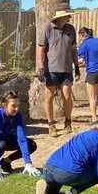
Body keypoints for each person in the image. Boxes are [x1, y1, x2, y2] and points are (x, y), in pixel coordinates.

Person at [0, 91, 41, 180]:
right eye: (13, 106)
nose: (16, 109)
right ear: (4, 104)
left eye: (18, 106)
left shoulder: (18, 116)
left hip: (5, 138)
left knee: (31, 145)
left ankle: (6, 162)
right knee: (1, 144)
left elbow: (21, 139)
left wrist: (28, 163)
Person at [37, 8, 80, 137]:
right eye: (67, 16)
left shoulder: (71, 29)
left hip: (66, 69)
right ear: (60, 17)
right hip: (51, 69)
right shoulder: (48, 28)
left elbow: (73, 49)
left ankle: (68, 122)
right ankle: (51, 125)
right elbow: (41, 50)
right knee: (49, 96)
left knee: (67, 95)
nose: (69, 18)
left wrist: (76, 66)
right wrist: (40, 68)